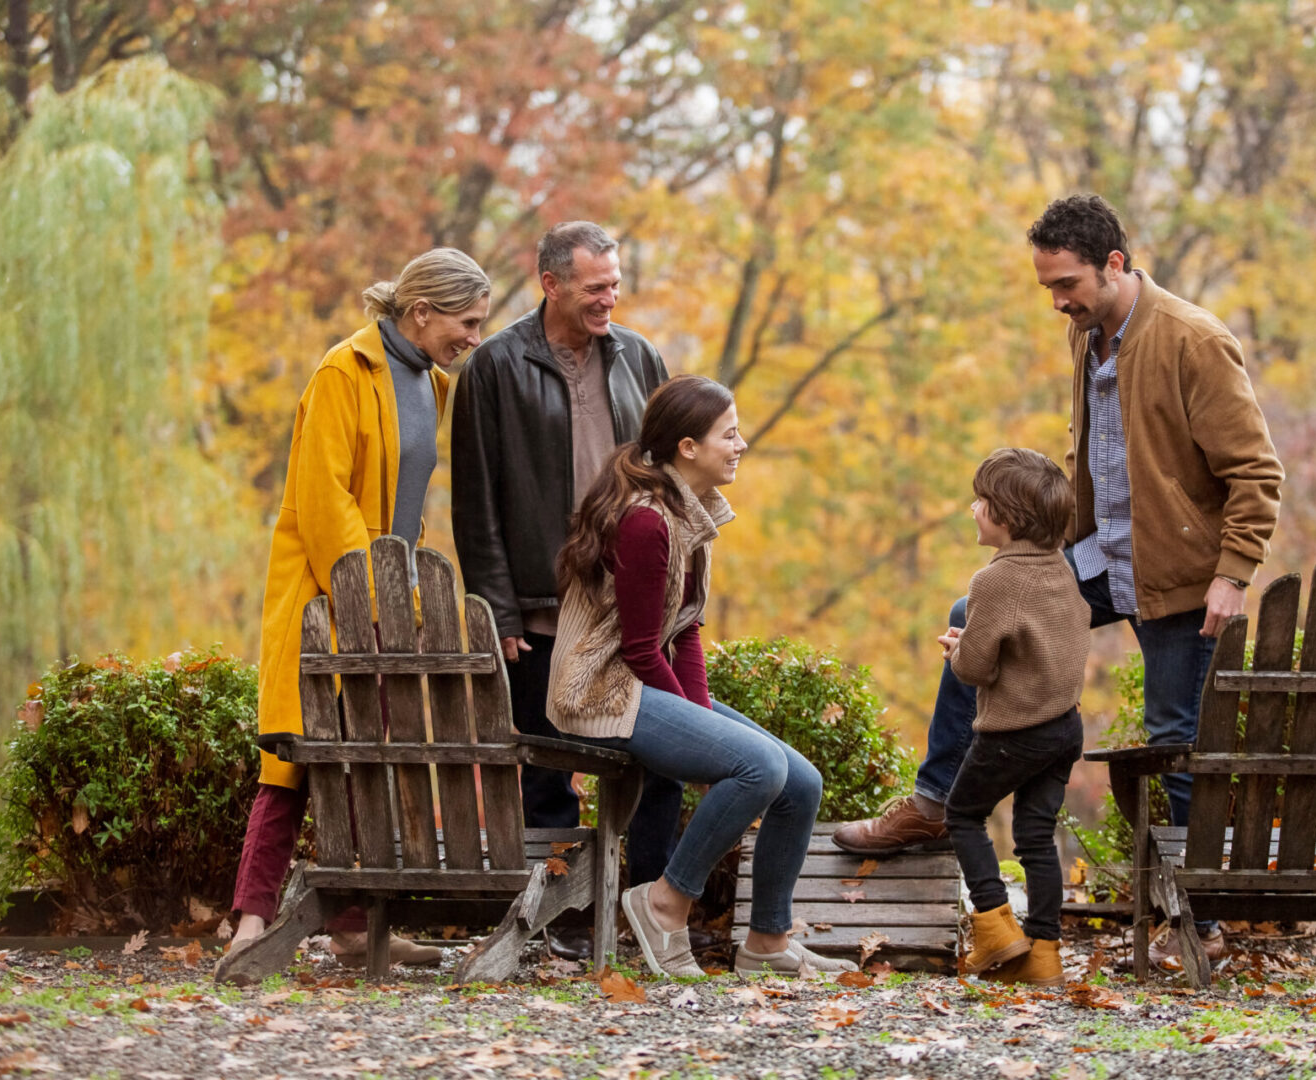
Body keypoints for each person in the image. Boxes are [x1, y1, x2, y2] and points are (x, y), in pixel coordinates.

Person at [834, 194, 1284, 968]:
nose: (1057, 302)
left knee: (1176, 737)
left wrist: (1233, 574)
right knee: (969, 609)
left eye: (1066, 284)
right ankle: (937, 804)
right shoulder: (1090, 335)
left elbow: (1255, 471)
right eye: (1047, 287)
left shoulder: (1193, 341)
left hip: (1178, 577)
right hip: (1097, 559)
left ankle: (1194, 920)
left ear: (1115, 263)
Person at [223, 248, 492, 968]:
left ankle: (350, 927)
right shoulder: (345, 370)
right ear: (421, 310)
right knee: (296, 760)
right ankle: (251, 919)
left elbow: (406, 505)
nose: (472, 338)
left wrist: (406, 598)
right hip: (327, 595)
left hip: (387, 600)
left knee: (369, 761)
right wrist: (373, 597)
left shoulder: (430, 383)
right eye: (465, 322)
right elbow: (323, 498)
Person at [547, 375, 858, 979]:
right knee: (758, 767)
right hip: (600, 688)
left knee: (801, 783)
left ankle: (767, 940)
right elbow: (639, 648)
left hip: (640, 679)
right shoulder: (646, 523)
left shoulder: (692, 512)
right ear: (688, 446)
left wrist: (701, 717)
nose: (740, 444)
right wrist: (698, 733)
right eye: (729, 434)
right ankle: (664, 901)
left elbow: (685, 628)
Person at [451, 222, 680, 959]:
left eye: (614, 284)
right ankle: (548, 926)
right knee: (547, 772)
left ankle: (643, 915)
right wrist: (498, 604)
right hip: (539, 607)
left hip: (628, 609)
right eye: (595, 287)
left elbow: (671, 480)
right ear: (550, 283)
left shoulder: (639, 357)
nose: (609, 298)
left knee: (652, 764)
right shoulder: (494, 366)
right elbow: (475, 497)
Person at [941, 448, 1090, 986]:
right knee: (1034, 837)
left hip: (1016, 731)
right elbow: (1039, 646)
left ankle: (994, 928)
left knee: (961, 814)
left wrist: (956, 651)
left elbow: (976, 669)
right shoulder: (1062, 573)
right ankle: (1044, 955)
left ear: (1006, 518)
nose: (974, 509)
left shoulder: (994, 580)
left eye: (981, 501)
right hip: (1063, 728)